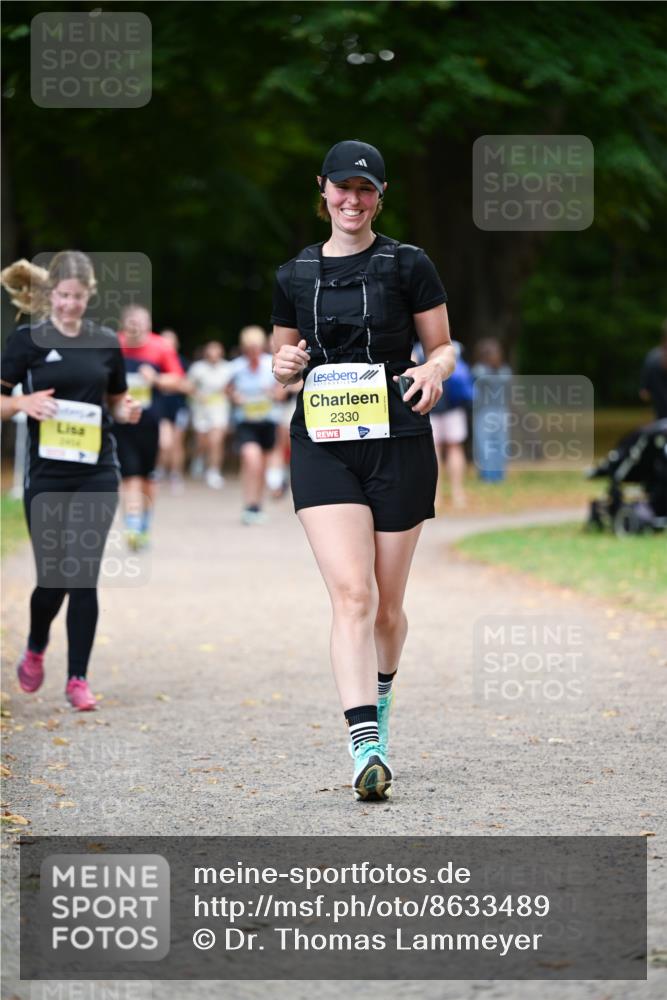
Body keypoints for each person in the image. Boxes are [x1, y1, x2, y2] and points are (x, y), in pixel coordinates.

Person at [271, 140, 455, 801]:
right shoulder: (293, 274)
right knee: (351, 596)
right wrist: (283, 367)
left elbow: (441, 346)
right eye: (341, 188)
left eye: (365, 189)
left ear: (380, 195)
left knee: (385, 607)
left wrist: (433, 369)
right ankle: (363, 748)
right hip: (322, 439)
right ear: (320, 189)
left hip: (397, 437)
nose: (352, 200)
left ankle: (380, 697)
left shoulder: (408, 263)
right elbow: (280, 360)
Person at [0, 252, 141, 710]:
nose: (68, 306)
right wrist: (21, 405)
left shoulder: (104, 342)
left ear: (89, 296)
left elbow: (117, 401)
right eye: (62, 296)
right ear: (50, 293)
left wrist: (128, 410)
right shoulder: (27, 340)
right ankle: (37, 644)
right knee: (54, 577)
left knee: (82, 575)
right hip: (47, 475)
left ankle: (78, 678)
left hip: (97, 471)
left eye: (77, 298)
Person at [114, 305, 186, 549]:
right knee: (130, 475)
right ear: (123, 325)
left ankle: (144, 523)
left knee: (148, 479)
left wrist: (155, 379)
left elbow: (177, 380)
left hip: (150, 422)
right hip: (122, 421)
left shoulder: (160, 347)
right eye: (132, 323)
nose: (137, 328)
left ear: (149, 324)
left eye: (142, 322)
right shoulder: (113, 345)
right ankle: (132, 525)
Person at [226, 325, 280, 523]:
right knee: (251, 459)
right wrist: (235, 397)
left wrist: (273, 394)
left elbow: (282, 392)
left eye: (256, 348)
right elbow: (227, 389)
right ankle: (249, 504)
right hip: (246, 422)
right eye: (249, 349)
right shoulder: (236, 367)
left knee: (261, 467)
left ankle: (256, 504)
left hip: (267, 421)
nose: (253, 352)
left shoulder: (270, 364)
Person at [415, 340, 473, 509]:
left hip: (429, 406)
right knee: (455, 448)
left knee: (435, 450)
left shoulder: (418, 349)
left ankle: (436, 496)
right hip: (454, 406)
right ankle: (458, 494)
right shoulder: (456, 347)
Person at [187, 340, 231, 489]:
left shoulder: (227, 368)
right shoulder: (197, 368)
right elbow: (188, 386)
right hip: (201, 410)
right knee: (202, 442)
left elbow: (232, 388)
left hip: (220, 410)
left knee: (216, 440)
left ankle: (214, 471)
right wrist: (198, 395)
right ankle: (199, 457)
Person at [471, 337, 513, 482]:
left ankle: (498, 474)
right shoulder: (480, 370)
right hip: (485, 412)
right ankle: (488, 474)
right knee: (486, 443)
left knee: (499, 443)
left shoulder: (504, 371)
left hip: (497, 412)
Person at [155, 328, 190, 494]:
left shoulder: (181, 362)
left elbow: (188, 386)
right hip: (160, 408)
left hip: (178, 408)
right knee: (163, 443)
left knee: (176, 444)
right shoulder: (154, 362)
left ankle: (175, 475)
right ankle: (159, 471)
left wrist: (174, 384)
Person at [639, 322, 667, 420]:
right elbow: (644, 393)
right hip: (660, 419)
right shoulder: (652, 359)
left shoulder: (651, 357)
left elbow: (644, 393)